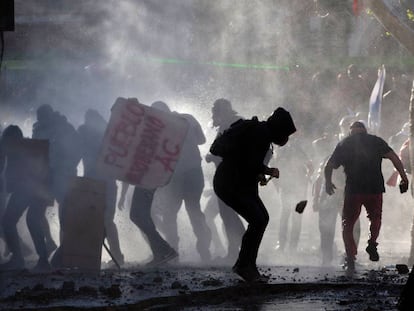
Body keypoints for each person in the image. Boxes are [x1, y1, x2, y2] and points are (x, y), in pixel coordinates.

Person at [212, 107, 296, 282]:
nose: (285, 139)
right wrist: (268, 170)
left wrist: (260, 173)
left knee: (261, 218)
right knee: (258, 220)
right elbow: (249, 162)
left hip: (236, 182)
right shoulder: (260, 134)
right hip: (231, 183)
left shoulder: (260, 132)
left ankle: (246, 265)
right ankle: (244, 266)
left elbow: (248, 162)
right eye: (285, 134)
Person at [324, 121, 409, 275]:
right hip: (374, 189)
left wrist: (327, 183)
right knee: (375, 218)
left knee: (347, 224)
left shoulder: (344, 144)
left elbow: (329, 165)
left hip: (353, 191)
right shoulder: (376, 141)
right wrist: (404, 178)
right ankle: (372, 243)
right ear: (365, 131)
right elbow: (395, 158)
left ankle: (350, 257)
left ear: (351, 132)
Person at [149, 101, 212, 263]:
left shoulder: (158, 128)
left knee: (171, 214)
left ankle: (173, 253)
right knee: (194, 210)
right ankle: (204, 252)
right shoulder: (188, 118)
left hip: (178, 176)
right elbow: (202, 140)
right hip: (192, 172)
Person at [32, 104, 82, 267]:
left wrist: (66, 168)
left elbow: (76, 151)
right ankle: (46, 253)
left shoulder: (64, 128)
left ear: (49, 115)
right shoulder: (39, 128)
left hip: (63, 177)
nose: (40, 120)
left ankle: (66, 255)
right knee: (34, 215)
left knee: (66, 217)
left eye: (43, 117)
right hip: (46, 178)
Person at [77, 109, 124, 268]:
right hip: (95, 183)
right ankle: (96, 256)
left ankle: (116, 255)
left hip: (105, 183)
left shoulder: (108, 135)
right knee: (101, 221)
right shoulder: (90, 133)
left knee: (106, 221)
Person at [0, 125, 51, 271]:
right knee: (33, 221)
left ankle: (18, 259)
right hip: (40, 190)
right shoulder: (32, 146)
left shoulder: (15, 147)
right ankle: (42, 260)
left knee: (9, 221)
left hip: (28, 189)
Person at [205, 98, 246, 264]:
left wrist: (212, 157)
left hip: (230, 176)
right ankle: (236, 251)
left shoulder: (231, 125)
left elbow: (228, 151)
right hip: (231, 176)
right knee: (228, 215)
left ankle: (241, 250)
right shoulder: (236, 123)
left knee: (229, 215)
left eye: (215, 111)